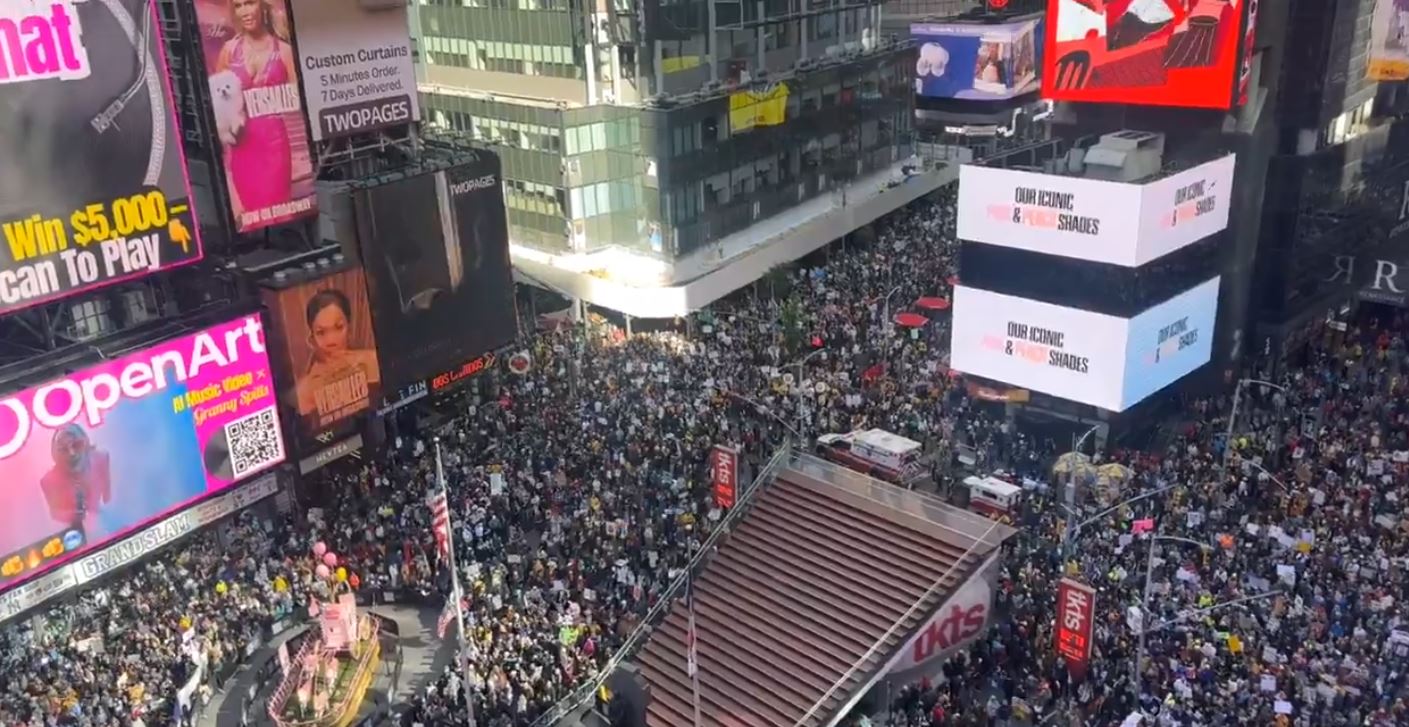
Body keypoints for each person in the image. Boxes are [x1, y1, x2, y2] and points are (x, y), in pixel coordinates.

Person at [213, 0, 297, 225]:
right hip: (242, 149)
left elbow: (297, 99)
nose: (244, 11)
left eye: (249, 3)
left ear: (262, 6)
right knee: (253, 214)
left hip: (274, 145)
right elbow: (218, 100)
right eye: (238, 6)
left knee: (279, 213)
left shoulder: (284, 51)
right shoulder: (229, 51)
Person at [294, 288, 382, 427]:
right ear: (311, 337)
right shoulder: (305, 389)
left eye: (339, 327)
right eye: (321, 332)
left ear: (349, 327)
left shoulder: (372, 361)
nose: (331, 340)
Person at [40, 424, 112, 537]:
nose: (72, 453)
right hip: (74, 534)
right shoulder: (49, 480)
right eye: (63, 450)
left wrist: (103, 516)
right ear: (56, 455)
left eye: (76, 445)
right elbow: (55, 513)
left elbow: (108, 496)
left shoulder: (101, 458)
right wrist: (75, 516)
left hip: (105, 522)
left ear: (85, 444)